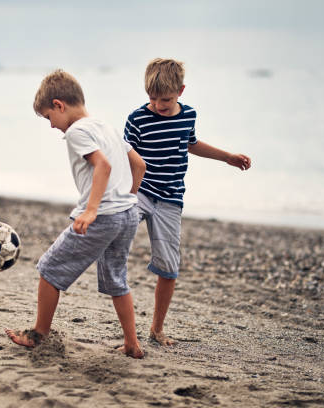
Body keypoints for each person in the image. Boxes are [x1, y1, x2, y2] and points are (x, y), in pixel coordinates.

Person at [6, 69, 147, 358]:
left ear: (59, 105)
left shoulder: (77, 132)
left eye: (48, 117)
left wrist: (92, 209)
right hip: (128, 214)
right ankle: (132, 344)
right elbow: (139, 165)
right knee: (117, 279)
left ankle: (38, 334)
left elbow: (103, 167)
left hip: (104, 216)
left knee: (49, 269)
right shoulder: (104, 126)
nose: (51, 125)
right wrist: (126, 198)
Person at [124, 58, 252, 346]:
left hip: (171, 198)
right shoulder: (136, 119)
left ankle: (157, 329)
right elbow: (125, 157)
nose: (158, 105)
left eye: (166, 99)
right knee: (116, 238)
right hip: (140, 192)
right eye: (152, 98)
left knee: (169, 267)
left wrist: (227, 156)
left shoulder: (188, 115)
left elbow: (191, 143)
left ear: (181, 91)